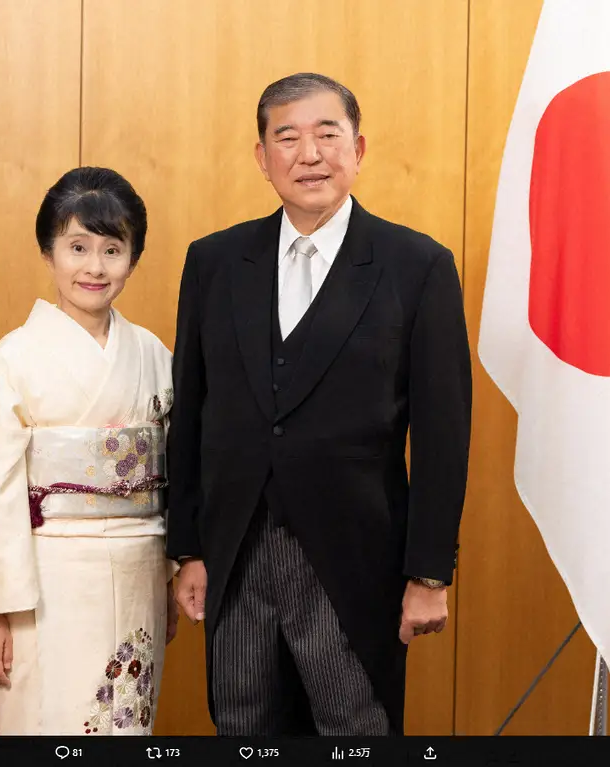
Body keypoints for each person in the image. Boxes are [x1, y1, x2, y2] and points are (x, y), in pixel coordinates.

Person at [166, 73, 472, 736]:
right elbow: (192, 413)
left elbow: (445, 435)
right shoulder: (215, 262)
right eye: (289, 137)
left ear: (358, 149)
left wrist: (429, 572)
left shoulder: (416, 265)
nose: (309, 154)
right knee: (243, 722)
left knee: (353, 725)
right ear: (262, 157)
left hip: (356, 559)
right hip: (235, 551)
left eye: (327, 135)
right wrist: (188, 547)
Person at [0, 167, 178, 736]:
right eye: (77, 248)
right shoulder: (13, 359)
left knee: (127, 725)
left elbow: (175, 473)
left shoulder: (151, 352)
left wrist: (171, 574)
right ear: (48, 252)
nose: (94, 267)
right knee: (48, 722)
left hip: (140, 565)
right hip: (46, 582)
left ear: (133, 257)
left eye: (112, 249)